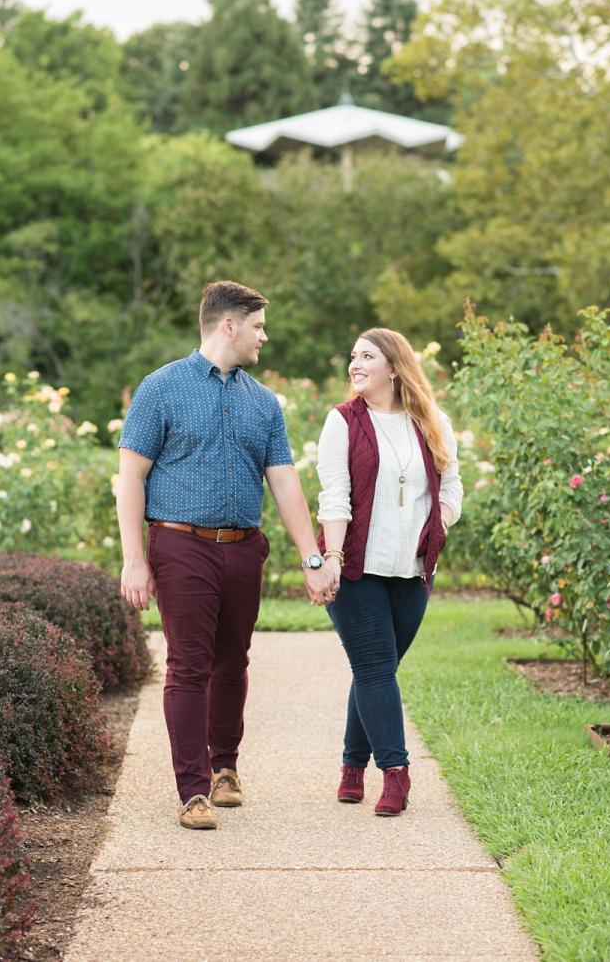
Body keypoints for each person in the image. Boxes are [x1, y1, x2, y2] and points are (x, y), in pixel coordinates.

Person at [114, 281, 338, 831]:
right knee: (188, 666)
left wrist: (312, 559)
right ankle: (192, 792)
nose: (266, 336)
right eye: (259, 326)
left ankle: (225, 769)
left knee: (232, 663)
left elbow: (284, 484)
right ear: (228, 325)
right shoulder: (161, 388)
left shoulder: (262, 401)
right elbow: (130, 478)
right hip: (180, 544)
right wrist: (133, 560)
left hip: (243, 551)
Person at [315, 329, 461, 816]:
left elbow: (451, 485)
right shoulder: (343, 422)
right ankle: (396, 774)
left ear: (395, 368)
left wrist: (436, 525)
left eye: (366, 356)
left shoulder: (433, 422)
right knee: (376, 666)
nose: (354, 364)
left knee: (376, 669)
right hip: (356, 568)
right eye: (353, 356)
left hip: (414, 569)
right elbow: (334, 497)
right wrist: (331, 559)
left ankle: (351, 766)